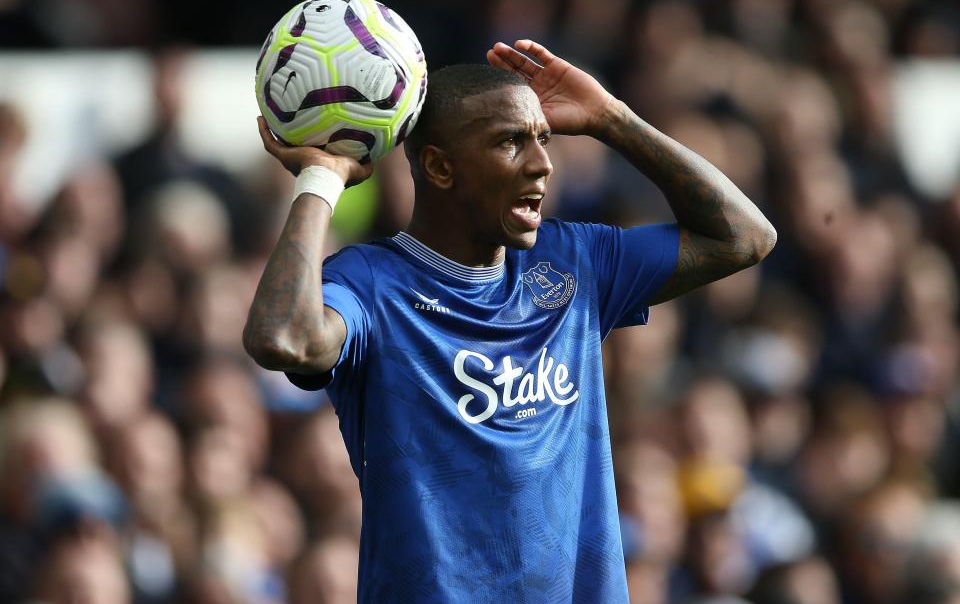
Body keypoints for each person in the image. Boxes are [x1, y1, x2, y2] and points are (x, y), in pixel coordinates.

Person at [243, 39, 776, 602]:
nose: (543, 163)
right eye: (510, 142)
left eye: (543, 139)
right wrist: (320, 179)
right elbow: (284, 339)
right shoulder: (371, 287)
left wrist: (612, 120)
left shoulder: (575, 263)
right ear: (440, 166)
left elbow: (745, 236)